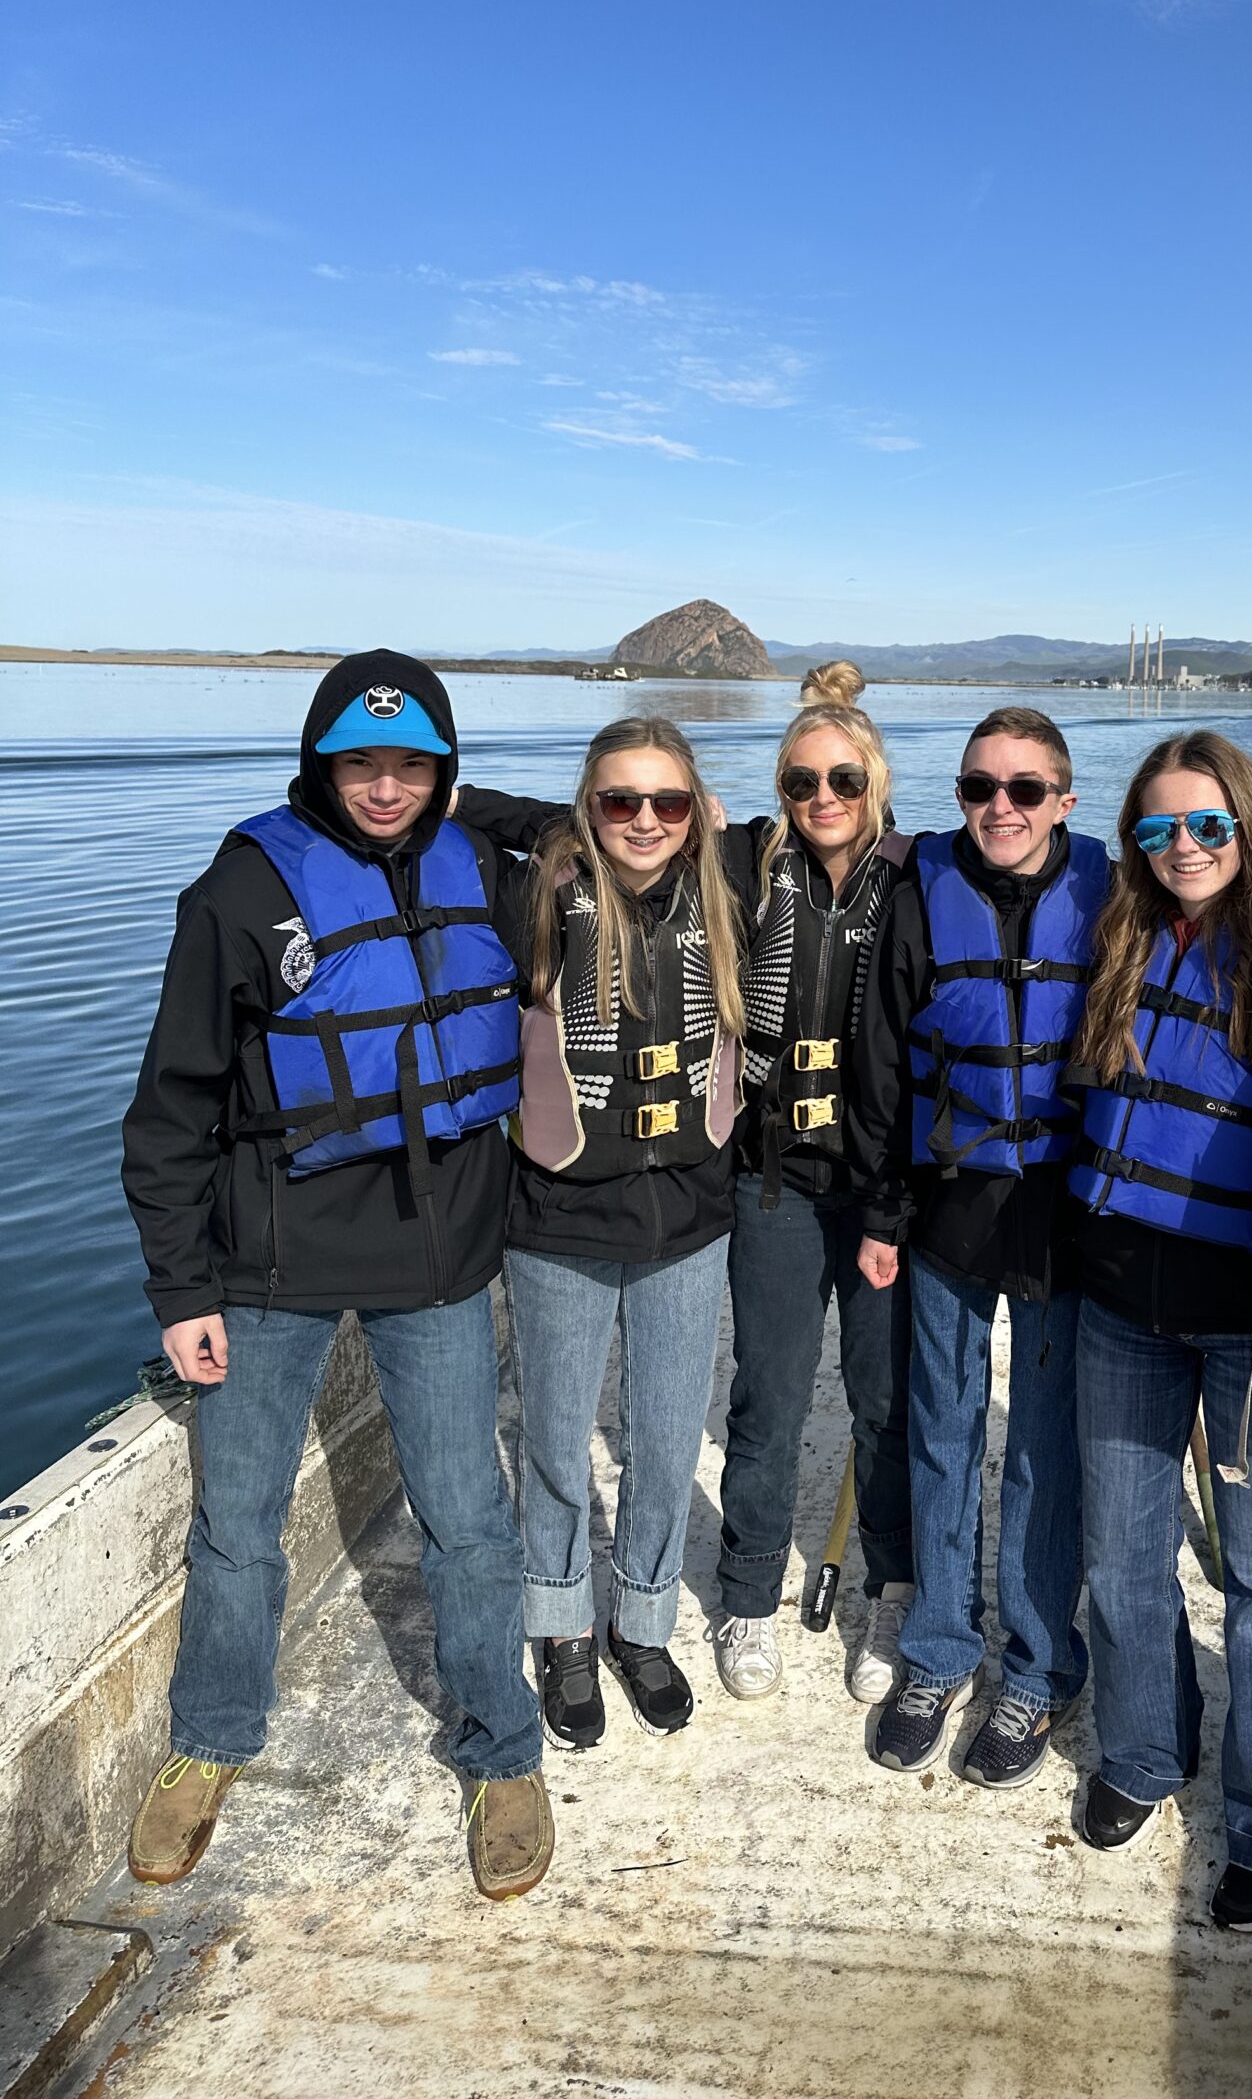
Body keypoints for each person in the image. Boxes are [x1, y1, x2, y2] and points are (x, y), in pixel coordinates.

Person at [119, 652, 551, 1903]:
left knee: (467, 1515)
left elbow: (598, 839)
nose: (386, 786)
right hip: (268, 1256)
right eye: (362, 762)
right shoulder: (243, 891)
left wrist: (482, 807)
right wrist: (180, 1289)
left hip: (439, 1251)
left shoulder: (490, 870)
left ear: (445, 773)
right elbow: (169, 1109)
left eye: (414, 764)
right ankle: (209, 1741)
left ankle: (501, 1751)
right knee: (237, 1526)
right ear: (318, 762)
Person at [1067, 731, 1252, 1929]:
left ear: (1249, 825)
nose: (1182, 848)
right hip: (1121, 1298)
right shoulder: (1123, 932)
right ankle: (1140, 1751)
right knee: (1123, 1551)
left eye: (1208, 826)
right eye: (1158, 828)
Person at [847, 706, 1108, 1787]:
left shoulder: (1113, 887)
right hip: (949, 1203)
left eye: (1025, 789)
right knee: (944, 1430)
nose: (1000, 808)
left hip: (1064, 1208)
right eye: (978, 788)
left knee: (1046, 1451)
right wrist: (878, 1214)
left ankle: (1040, 1669)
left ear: (1065, 800)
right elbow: (876, 1061)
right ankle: (939, 1648)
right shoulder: (920, 890)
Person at [500, 714, 749, 1751]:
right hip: (560, 1214)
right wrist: (559, 826)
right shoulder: (535, 890)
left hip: (688, 1215)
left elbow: (860, 825)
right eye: (619, 800)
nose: (644, 821)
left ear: (697, 810)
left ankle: (639, 1624)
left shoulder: (731, 879)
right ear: (585, 807)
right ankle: (560, 1625)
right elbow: (446, 807)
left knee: (662, 1433)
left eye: (667, 801)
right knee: (556, 1435)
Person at [713, 664, 916, 1706]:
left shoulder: (920, 880)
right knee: (770, 1395)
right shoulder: (747, 864)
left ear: (874, 782)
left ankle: (894, 1582)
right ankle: (747, 1591)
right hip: (776, 1181)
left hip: (879, 1187)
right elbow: (606, 836)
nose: (823, 797)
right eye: (802, 781)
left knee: (885, 1401)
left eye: (844, 777)